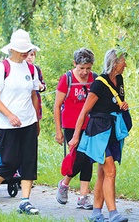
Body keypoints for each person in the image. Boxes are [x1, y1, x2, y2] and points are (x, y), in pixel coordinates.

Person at [69, 48, 129, 222]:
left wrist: (121, 105)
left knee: (103, 173)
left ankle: (96, 213)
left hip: (112, 131)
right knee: (111, 171)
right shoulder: (99, 84)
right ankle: (113, 213)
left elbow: (112, 104)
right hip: (98, 132)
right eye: (123, 61)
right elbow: (84, 111)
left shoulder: (119, 79)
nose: (125, 64)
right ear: (115, 63)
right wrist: (75, 136)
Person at [0, 29, 40, 214]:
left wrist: (37, 119)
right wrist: (10, 115)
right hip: (7, 124)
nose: (25, 52)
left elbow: (33, 94)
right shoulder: (3, 67)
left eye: (27, 49)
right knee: (10, 161)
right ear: (12, 49)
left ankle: (25, 201)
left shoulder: (31, 68)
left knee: (29, 161)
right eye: (21, 49)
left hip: (29, 122)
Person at [54, 48, 97, 209]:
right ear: (74, 64)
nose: (85, 72)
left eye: (88, 68)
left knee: (88, 159)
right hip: (71, 126)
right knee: (78, 158)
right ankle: (64, 184)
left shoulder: (95, 78)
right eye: (81, 68)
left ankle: (83, 197)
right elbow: (57, 105)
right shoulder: (67, 79)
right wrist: (58, 131)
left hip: (90, 125)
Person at [26, 48, 46, 120]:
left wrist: (41, 87)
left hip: (35, 103)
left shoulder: (37, 69)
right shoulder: (20, 69)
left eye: (32, 55)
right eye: (27, 55)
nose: (29, 57)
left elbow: (43, 86)